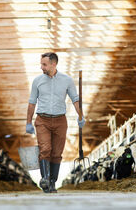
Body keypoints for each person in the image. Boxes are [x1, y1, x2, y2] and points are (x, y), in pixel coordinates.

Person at [26, 52, 85, 193]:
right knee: (45, 149)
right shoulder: (37, 81)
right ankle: (45, 179)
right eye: (41, 64)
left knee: (57, 153)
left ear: (54, 64)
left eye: (44, 64)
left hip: (60, 121)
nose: (41, 67)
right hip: (42, 120)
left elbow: (75, 99)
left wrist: (81, 116)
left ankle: (52, 182)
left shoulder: (67, 80)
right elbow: (32, 103)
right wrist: (28, 122)